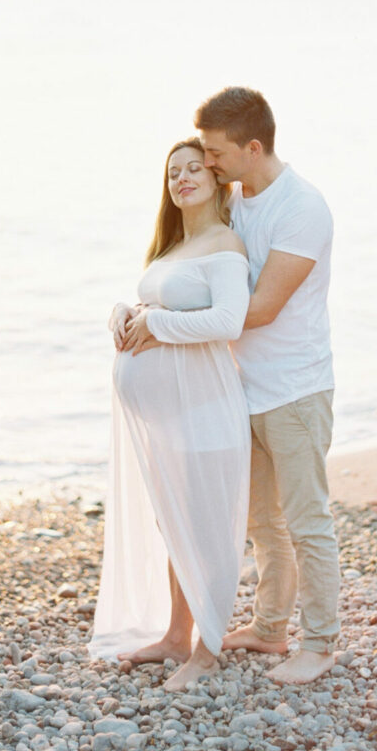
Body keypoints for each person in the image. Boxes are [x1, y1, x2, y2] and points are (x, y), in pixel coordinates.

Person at [88, 137, 251, 692]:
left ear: (215, 178)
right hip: (167, 419)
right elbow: (162, 308)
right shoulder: (173, 246)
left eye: (192, 169)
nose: (181, 177)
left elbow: (228, 321)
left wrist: (155, 326)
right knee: (172, 524)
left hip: (204, 410)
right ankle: (177, 636)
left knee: (205, 532)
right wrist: (127, 314)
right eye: (172, 172)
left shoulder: (224, 244)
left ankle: (207, 650)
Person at [198, 87, 340, 685]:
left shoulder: (303, 208)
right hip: (243, 391)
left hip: (295, 393)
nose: (208, 163)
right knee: (262, 524)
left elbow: (259, 308)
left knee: (307, 521)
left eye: (216, 152)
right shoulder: (233, 200)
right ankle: (270, 626)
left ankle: (322, 643)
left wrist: (167, 329)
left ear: (253, 148)